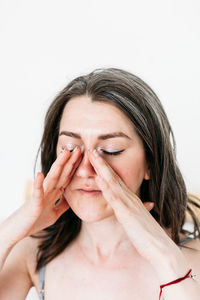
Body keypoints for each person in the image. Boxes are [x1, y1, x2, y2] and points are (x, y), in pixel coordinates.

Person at [0, 68, 200, 300]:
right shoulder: (33, 252)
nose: (86, 170)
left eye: (110, 150)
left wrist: (163, 256)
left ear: (150, 163)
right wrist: (11, 231)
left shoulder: (192, 260)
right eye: (70, 149)